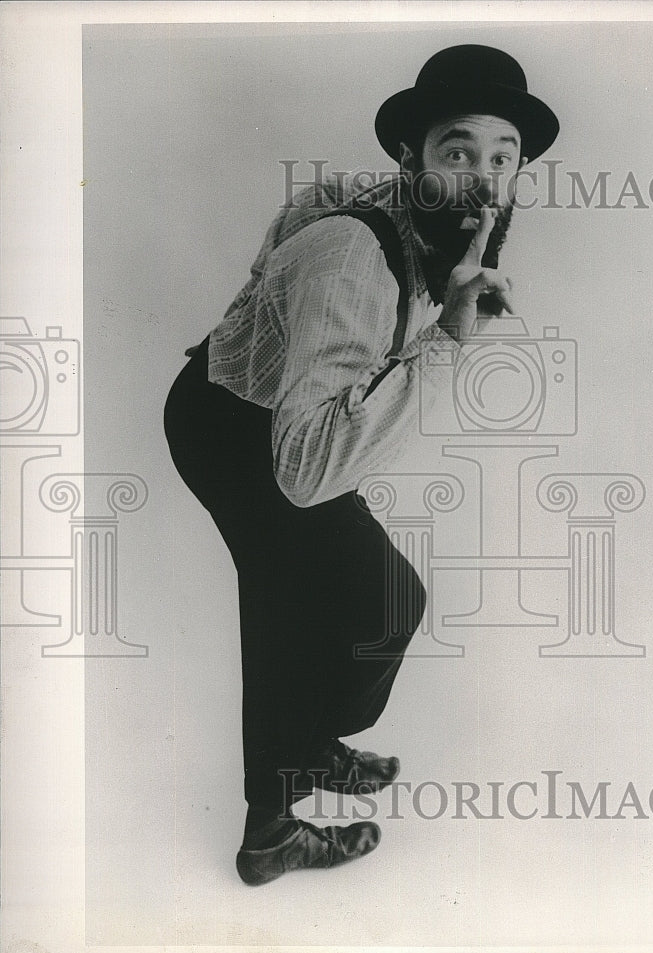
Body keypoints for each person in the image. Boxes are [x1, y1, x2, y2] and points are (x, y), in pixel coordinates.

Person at [163, 44, 559, 886]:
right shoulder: (353, 254)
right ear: (410, 158)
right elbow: (306, 474)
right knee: (314, 612)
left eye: (503, 159)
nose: (484, 183)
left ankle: (306, 750)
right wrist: (446, 339)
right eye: (458, 153)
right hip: (236, 430)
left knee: (370, 599)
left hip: (278, 417)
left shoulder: (410, 215)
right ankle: (271, 833)